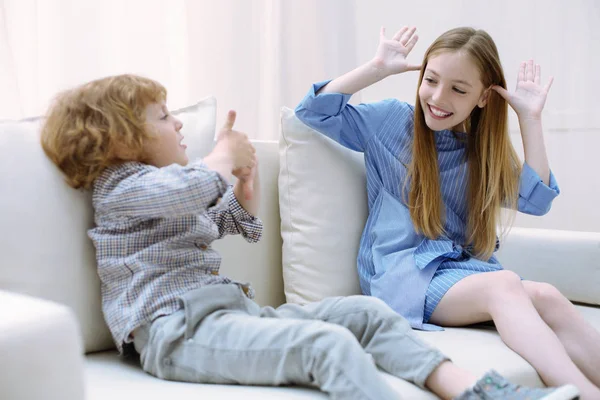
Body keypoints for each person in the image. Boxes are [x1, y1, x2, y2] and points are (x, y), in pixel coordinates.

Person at [40, 74, 578, 400]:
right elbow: (181, 192)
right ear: (118, 138)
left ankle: (470, 389)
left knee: (365, 315)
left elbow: (224, 222)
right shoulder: (120, 189)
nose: (179, 124)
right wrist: (221, 159)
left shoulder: (165, 189)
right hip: (174, 333)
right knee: (326, 343)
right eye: (164, 117)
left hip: (227, 313)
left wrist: (243, 191)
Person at [296, 25, 599, 399]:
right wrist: (376, 68)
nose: (438, 98)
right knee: (504, 284)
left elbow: (536, 201)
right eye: (431, 80)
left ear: (485, 97)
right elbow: (313, 112)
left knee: (548, 296)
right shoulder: (391, 122)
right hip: (401, 274)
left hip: (458, 272)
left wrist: (530, 119)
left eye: (458, 89)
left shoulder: (480, 152)